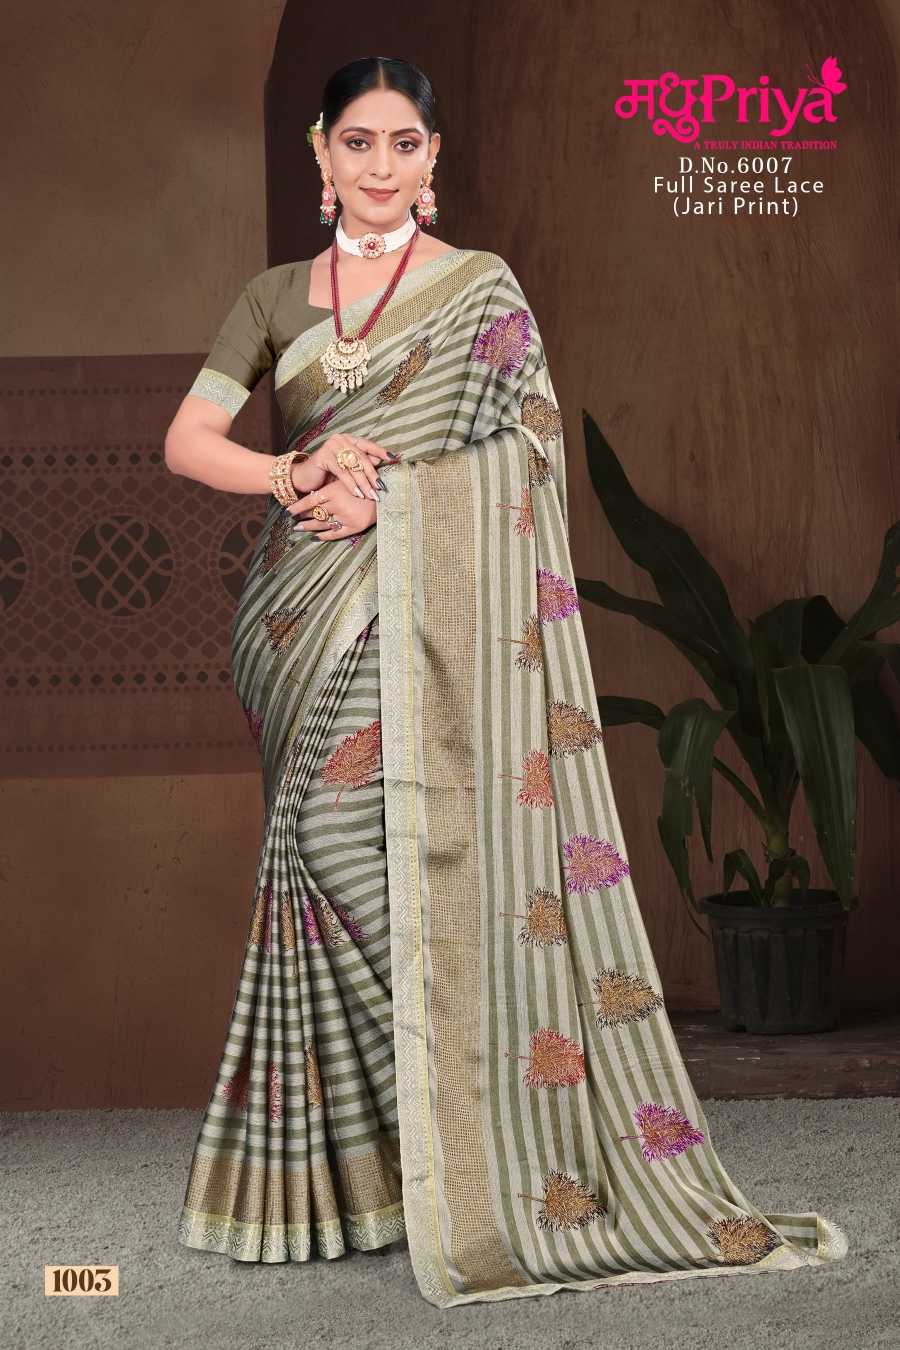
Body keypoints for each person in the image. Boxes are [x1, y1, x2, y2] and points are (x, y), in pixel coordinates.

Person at [166, 56, 848, 1310]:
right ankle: (400, 1173)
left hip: (418, 603)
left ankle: (474, 1140)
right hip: (296, 617)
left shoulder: (481, 291)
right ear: (321, 153)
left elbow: (526, 452)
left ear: (434, 157)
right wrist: (292, 473)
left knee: (364, 849)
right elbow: (188, 438)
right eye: (359, 142)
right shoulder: (271, 296)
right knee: (314, 852)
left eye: (404, 143)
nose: (380, 165)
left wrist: (397, 497)